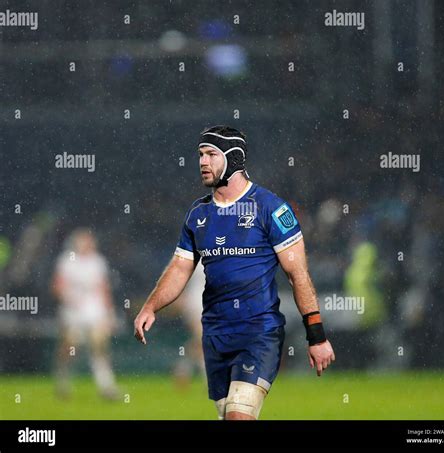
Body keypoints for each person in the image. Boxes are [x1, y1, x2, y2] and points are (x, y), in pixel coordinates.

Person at [134, 125, 335, 420]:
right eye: (200, 155)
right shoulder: (198, 214)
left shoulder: (271, 210)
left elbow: (298, 275)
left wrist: (316, 336)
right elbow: (179, 267)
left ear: (234, 159)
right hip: (215, 336)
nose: (202, 162)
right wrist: (151, 306)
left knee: (239, 416)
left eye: (211, 154)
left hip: (258, 333)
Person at [52, 228, 119, 399]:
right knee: (70, 347)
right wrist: (69, 299)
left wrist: (109, 312)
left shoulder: (98, 261)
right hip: (72, 312)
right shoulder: (67, 261)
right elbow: (58, 286)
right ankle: (63, 380)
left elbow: (103, 288)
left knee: (99, 346)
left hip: (94, 310)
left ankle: (106, 386)